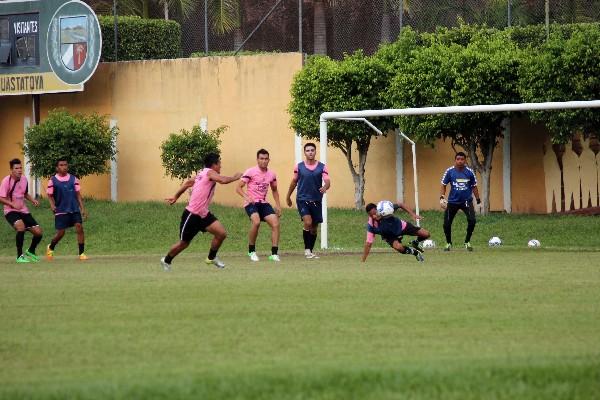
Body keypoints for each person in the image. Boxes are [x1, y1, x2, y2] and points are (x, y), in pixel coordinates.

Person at [161, 153, 242, 271]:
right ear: (214, 165)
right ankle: (166, 260)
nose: (220, 166)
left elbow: (188, 183)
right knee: (184, 243)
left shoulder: (202, 173)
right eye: (219, 164)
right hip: (192, 214)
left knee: (221, 234)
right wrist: (235, 177)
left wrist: (176, 197)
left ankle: (211, 257)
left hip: (203, 214)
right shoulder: (209, 172)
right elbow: (223, 180)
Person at [285, 142, 331, 259]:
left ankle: (310, 251)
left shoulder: (322, 166)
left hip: (316, 200)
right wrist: (288, 196)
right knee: (308, 222)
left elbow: (327, 181)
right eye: (308, 150)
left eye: (312, 150)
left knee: (314, 228)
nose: (310, 152)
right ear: (304, 153)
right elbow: (294, 182)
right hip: (302, 199)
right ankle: (306, 250)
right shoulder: (299, 167)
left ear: (315, 152)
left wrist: (325, 187)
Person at [236, 149, 282, 262]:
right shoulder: (251, 171)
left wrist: (278, 205)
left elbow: (274, 190)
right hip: (251, 203)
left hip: (263, 203)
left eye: (266, 159)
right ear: (257, 160)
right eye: (261, 158)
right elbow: (238, 187)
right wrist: (246, 197)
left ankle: (274, 254)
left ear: (269, 160)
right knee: (256, 222)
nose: (264, 161)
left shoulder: (272, 174)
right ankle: (251, 251)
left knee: (275, 224)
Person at [0, 158, 43, 263]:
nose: (19, 170)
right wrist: (12, 204)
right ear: (11, 169)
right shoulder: (6, 181)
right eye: (16, 168)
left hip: (23, 211)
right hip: (10, 211)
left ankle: (31, 251)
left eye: (20, 168)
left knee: (39, 233)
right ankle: (19, 256)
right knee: (21, 227)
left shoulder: (24, 179)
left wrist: (33, 200)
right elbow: (1, 198)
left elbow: (25, 193)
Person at [46, 159, 88, 260]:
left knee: (79, 227)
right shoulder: (53, 180)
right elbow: (49, 195)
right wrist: (52, 205)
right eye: (61, 165)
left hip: (74, 209)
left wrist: (82, 208)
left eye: (65, 164)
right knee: (61, 233)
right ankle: (51, 247)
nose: (64, 167)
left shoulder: (74, 179)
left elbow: (78, 195)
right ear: (57, 168)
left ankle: (81, 253)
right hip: (61, 210)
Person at [439, 152, 481, 252]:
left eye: (462, 159)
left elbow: (474, 186)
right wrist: (442, 197)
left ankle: (467, 242)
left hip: (467, 201)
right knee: (446, 224)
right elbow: (443, 185)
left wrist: (478, 201)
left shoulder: (470, 172)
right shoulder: (449, 171)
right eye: (458, 159)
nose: (460, 161)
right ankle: (448, 243)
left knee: (472, 220)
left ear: (465, 160)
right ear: (455, 160)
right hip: (453, 202)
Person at [362, 201, 429, 263]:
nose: (374, 216)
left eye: (375, 213)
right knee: (399, 247)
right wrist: (363, 261)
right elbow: (368, 244)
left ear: (378, 210)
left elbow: (400, 204)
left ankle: (415, 243)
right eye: (371, 215)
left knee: (426, 234)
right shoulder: (371, 226)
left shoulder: (386, 209)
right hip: (389, 236)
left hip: (401, 226)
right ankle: (415, 253)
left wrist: (412, 214)